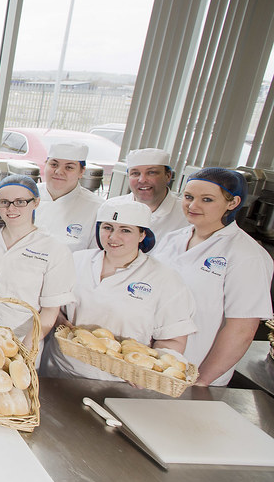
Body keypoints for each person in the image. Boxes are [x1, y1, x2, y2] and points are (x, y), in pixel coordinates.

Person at [42, 201, 196, 381]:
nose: (113, 237)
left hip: (119, 381)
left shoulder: (165, 279)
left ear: (142, 234)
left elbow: (172, 340)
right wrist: (58, 319)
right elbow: (52, 305)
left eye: (125, 230)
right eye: (107, 227)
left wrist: (148, 374)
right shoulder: (76, 261)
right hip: (59, 370)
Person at [152, 168, 273, 386]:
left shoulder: (246, 255)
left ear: (233, 202)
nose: (193, 205)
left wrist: (202, 380)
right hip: (150, 365)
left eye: (206, 199)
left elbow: (242, 329)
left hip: (192, 372)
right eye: (188, 197)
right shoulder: (172, 239)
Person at [0, 175, 76, 351]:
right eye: (4, 202)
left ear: (36, 202)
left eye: (20, 202)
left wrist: (28, 343)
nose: (11, 208)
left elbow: (50, 310)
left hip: (25, 337)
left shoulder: (54, 249)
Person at [104, 148, 187, 240]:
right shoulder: (111, 206)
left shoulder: (186, 214)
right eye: (135, 173)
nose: (142, 180)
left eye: (151, 173)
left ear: (168, 176)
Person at [35, 142, 103, 251]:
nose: (59, 172)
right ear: (45, 165)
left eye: (69, 167)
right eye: (54, 164)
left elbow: (94, 256)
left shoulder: (96, 208)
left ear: (81, 172)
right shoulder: (25, 195)